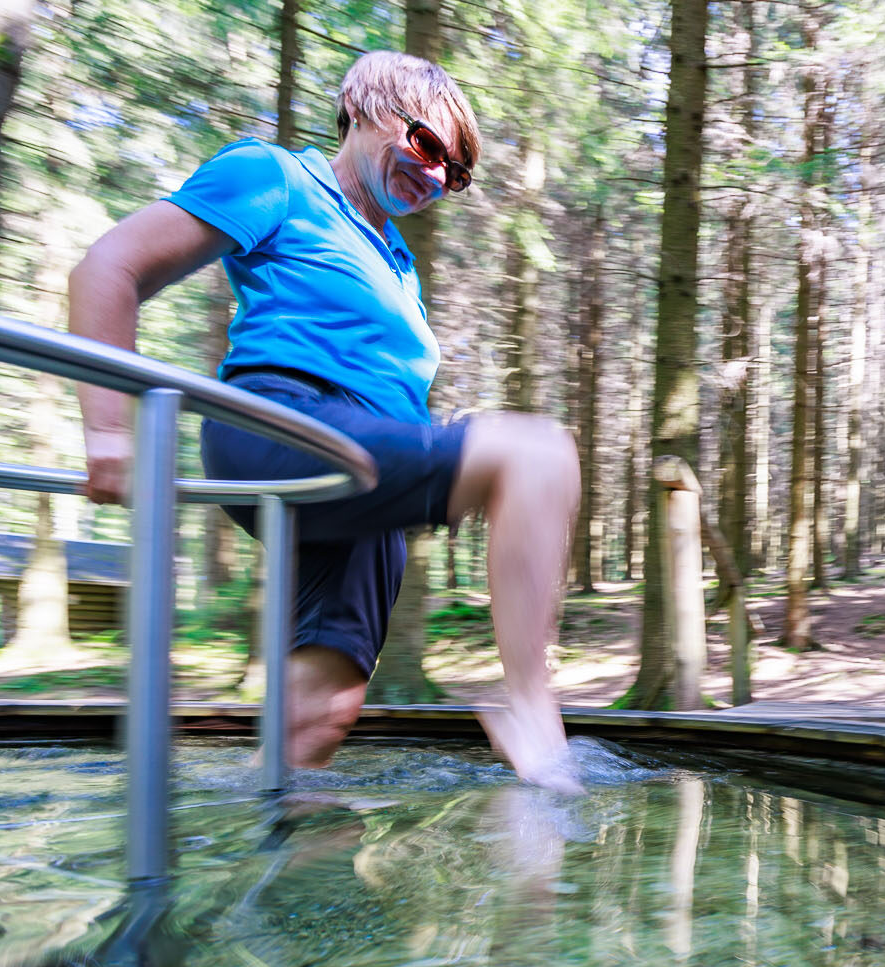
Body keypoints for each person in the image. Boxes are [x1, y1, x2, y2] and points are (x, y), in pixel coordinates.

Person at [70, 51, 580, 793]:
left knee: (318, 719)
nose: (436, 176)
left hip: (362, 479)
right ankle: (532, 712)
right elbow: (108, 268)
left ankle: (252, 849)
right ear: (363, 106)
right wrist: (110, 433)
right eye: (426, 145)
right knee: (536, 454)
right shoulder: (275, 177)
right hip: (283, 426)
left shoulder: (399, 264)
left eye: (455, 173)